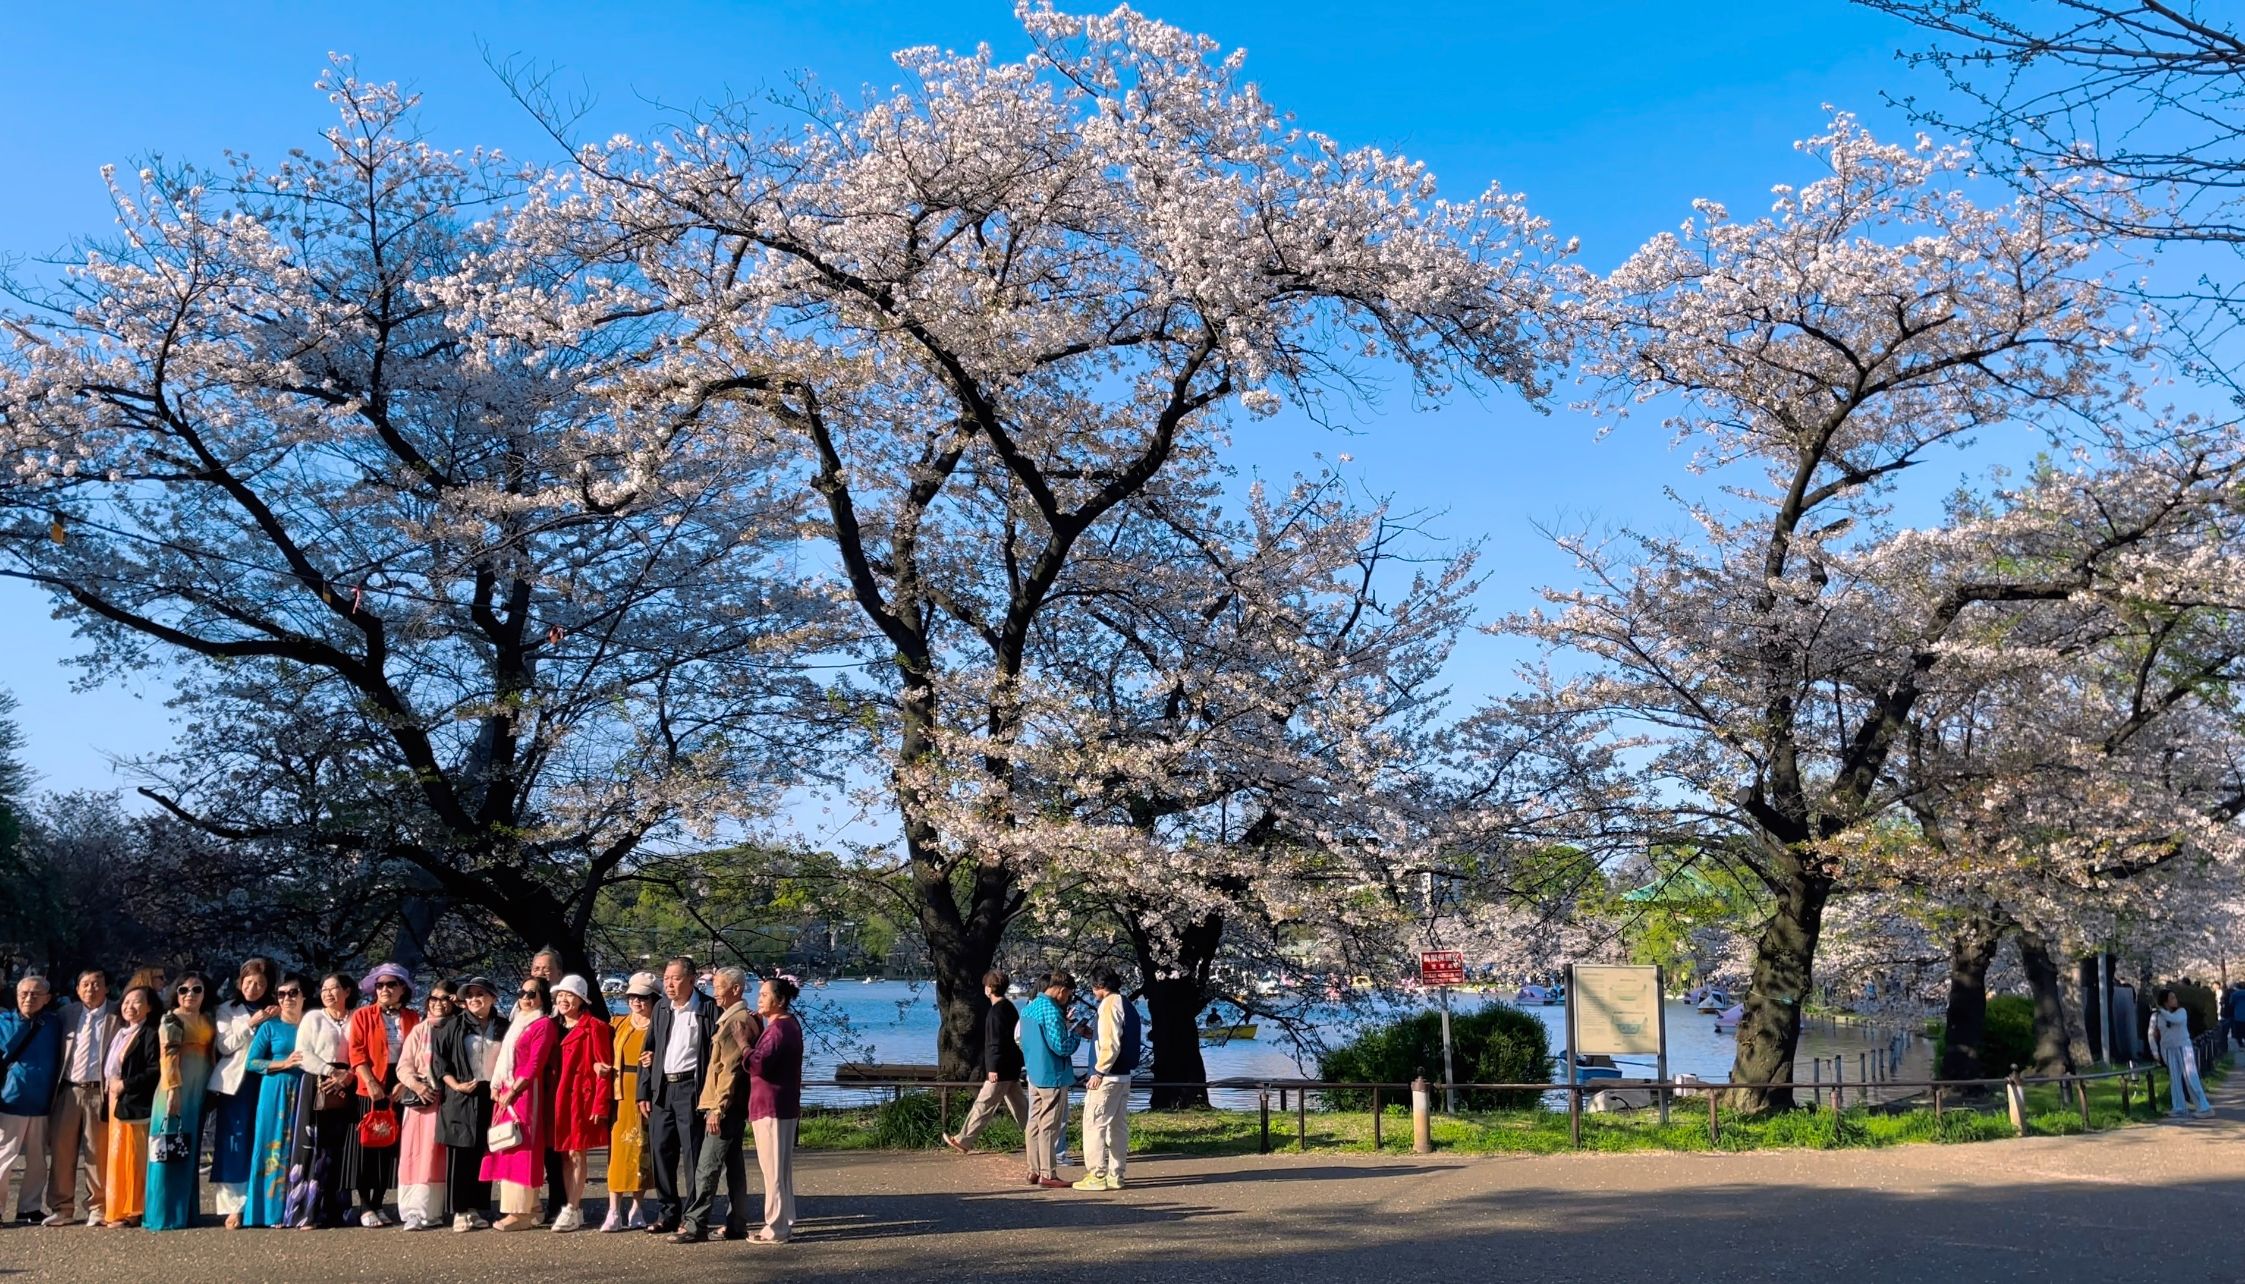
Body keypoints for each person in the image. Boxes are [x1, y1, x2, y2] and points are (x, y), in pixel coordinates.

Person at [673, 967, 757, 1244]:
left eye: (719, 987)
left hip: (725, 1106)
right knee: (733, 1166)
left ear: (735, 989)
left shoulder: (737, 1023)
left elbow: (730, 1070)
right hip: (730, 1105)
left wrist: (716, 1108)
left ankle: (696, 1224)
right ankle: (737, 1223)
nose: (714, 993)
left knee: (706, 1166)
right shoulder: (734, 1018)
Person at [639, 956, 714, 1234]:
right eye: (666, 978)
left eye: (676, 978)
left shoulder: (707, 1009)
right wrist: (643, 1091)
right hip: (662, 1088)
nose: (669, 984)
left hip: (690, 1088)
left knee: (693, 1155)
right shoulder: (661, 1008)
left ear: (692, 980)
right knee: (660, 1152)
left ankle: (693, 1216)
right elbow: (648, 1051)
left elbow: (714, 1053)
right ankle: (667, 1212)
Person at [482, 976, 559, 1232]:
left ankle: (521, 1212)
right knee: (507, 1145)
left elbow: (535, 1064)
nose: (526, 998)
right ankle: (532, 1206)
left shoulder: (543, 1024)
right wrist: (497, 1086)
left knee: (522, 1147)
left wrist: (514, 1090)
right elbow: (505, 1058)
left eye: (532, 994)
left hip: (526, 1093)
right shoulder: (518, 1023)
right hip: (507, 1088)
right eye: (522, 993)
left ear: (542, 998)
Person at [42, 968, 117, 1227]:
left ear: (106, 988)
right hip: (69, 1089)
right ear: (77, 989)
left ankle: (98, 1206)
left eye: (97, 984)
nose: (91, 989)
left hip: (100, 1090)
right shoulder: (66, 1014)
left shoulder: (117, 1013)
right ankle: (62, 1207)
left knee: (97, 1152)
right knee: (62, 1152)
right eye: (85, 984)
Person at [345, 962, 418, 1227]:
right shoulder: (363, 1015)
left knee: (391, 1145)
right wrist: (372, 1083)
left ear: (402, 989)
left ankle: (379, 1201)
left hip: (399, 1081)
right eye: (380, 985)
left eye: (391, 984)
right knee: (368, 1143)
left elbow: (416, 1053)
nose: (385, 989)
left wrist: (404, 1083)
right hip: (370, 1083)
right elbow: (357, 1052)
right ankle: (364, 1205)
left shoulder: (412, 1017)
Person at [432, 976, 506, 1232]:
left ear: (493, 998)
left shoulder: (503, 1026)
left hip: (491, 1094)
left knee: (484, 1153)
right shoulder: (453, 1026)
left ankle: (476, 1207)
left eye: (481, 994)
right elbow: (439, 1062)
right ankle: (460, 1211)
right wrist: (455, 1085)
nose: (475, 999)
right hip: (461, 1094)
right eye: (471, 995)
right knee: (460, 1154)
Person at [143, 972, 216, 1231]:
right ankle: (163, 1213)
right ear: (176, 993)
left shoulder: (207, 1019)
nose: (190, 995)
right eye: (184, 990)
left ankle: (185, 1211)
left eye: (197, 990)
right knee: (168, 1149)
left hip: (198, 1090)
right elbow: (168, 1056)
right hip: (176, 1089)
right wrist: (173, 1089)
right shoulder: (171, 1019)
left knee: (188, 1149)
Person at [209, 957, 278, 1227]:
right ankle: (233, 1207)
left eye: (260, 983)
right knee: (234, 1141)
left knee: (263, 1138)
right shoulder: (227, 1009)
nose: (253, 987)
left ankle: (262, 1203)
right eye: (248, 982)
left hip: (266, 1079)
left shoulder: (276, 1008)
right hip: (237, 1082)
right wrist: (252, 1023)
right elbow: (225, 1046)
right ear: (240, 982)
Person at [548, 974, 615, 1232]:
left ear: (580, 1000)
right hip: (558, 1097)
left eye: (569, 995)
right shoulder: (553, 1025)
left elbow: (604, 1066)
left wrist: (600, 1104)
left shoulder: (595, 1027)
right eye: (561, 995)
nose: (564, 1000)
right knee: (565, 1153)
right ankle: (572, 1206)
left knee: (577, 1153)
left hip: (579, 1099)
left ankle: (572, 1207)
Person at [291, 972, 357, 1229]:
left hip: (350, 1083)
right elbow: (302, 1053)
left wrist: (349, 1074)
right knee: (315, 1147)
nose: (328, 993)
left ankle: (339, 1210)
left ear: (347, 991)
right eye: (324, 989)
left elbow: (363, 1049)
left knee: (342, 1147)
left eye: (334, 988)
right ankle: (308, 1211)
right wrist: (331, 1071)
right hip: (318, 1081)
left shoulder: (357, 1017)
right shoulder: (313, 1017)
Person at [242, 976, 306, 1228]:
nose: (287, 998)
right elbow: (252, 1062)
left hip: (305, 1089)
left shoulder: (312, 1024)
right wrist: (282, 1063)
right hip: (275, 1088)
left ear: (303, 996)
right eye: (281, 994)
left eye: (293, 993)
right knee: (272, 1145)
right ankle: (269, 1211)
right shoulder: (269, 1027)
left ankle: (299, 1209)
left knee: (301, 1147)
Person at [0, 975, 63, 1223]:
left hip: (43, 1101)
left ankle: (29, 1207)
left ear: (47, 999)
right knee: (4, 1157)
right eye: (24, 993)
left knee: (38, 1159)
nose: (29, 998)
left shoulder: (55, 1024)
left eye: (35, 994)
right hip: (11, 1100)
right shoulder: (3, 1022)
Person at [943, 970, 1025, 1155]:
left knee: (984, 1103)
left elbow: (994, 1043)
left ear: (989, 988)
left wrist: (993, 1068)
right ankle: (1038, 1137)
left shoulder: (995, 1012)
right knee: (1021, 1107)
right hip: (1011, 1066)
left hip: (1001, 1069)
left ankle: (963, 1140)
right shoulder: (1009, 1008)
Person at [747, 975, 803, 1244]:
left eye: (765, 994)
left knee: (773, 1170)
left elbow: (759, 1064)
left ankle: (776, 1227)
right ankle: (785, 1219)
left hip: (771, 1106)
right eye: (759, 993)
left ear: (780, 1000)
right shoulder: (789, 1025)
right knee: (780, 1168)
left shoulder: (778, 1030)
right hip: (783, 1104)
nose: (759, 998)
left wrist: (744, 1046)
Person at [1073, 969, 1140, 1192]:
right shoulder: (1127, 1005)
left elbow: (1111, 1043)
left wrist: (1098, 1071)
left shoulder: (1109, 1004)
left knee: (1094, 1123)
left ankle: (1096, 1174)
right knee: (1117, 1126)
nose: (1093, 993)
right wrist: (1092, 1034)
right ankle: (1116, 1174)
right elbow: (1117, 1037)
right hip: (1123, 1075)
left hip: (1108, 1077)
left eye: (1094, 988)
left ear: (1098, 986)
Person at [98, 986, 159, 1228]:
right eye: (126, 1002)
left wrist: (126, 1084)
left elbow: (155, 1070)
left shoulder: (149, 1034)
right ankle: (116, 1208)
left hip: (134, 1101)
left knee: (134, 1157)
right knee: (116, 1156)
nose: (129, 1007)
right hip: (115, 1101)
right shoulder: (120, 1033)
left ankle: (134, 1209)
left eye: (137, 1002)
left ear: (149, 1007)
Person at [602, 971, 659, 1232]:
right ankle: (613, 1208)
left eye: (643, 998)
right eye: (633, 997)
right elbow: (601, 1052)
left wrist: (655, 1059)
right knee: (618, 1152)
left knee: (642, 1151)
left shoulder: (660, 1026)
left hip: (646, 1094)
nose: (637, 1002)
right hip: (619, 1093)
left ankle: (637, 1207)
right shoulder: (618, 1024)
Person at [394, 980, 453, 1230]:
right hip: (422, 1101)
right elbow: (404, 1065)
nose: (439, 1004)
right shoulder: (420, 1030)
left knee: (441, 1157)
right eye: (434, 999)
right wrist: (417, 1086)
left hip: (450, 1100)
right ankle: (414, 1212)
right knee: (418, 1156)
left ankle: (439, 1209)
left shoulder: (459, 1028)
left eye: (445, 999)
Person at [1019, 971, 1083, 1189]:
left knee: (1033, 1121)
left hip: (1034, 1071)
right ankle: (1048, 1172)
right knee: (1049, 1124)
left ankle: (1033, 1169)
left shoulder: (1029, 1008)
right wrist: (1075, 1032)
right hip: (1052, 1073)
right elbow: (1061, 1046)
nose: (1068, 1000)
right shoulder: (1052, 1011)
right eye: (1068, 995)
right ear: (1061, 990)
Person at [527, 948, 568, 1221]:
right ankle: (529, 1206)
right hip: (527, 1089)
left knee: (555, 1149)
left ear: (559, 974)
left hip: (555, 1085)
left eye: (546, 969)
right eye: (536, 968)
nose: (541, 973)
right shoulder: (525, 1004)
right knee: (529, 1147)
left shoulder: (564, 1007)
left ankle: (559, 1204)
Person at [2150, 988, 2213, 1118]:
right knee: (2175, 1079)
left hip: (2183, 1047)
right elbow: (2152, 1034)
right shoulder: (2157, 1016)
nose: (2175, 1000)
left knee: (2191, 1076)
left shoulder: (2181, 1012)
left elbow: (2175, 1020)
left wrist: (2160, 1010)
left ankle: (2203, 1107)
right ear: (2165, 1001)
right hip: (2168, 1049)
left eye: (2175, 997)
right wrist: (2156, 1052)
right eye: (2172, 998)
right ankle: (2178, 1107)